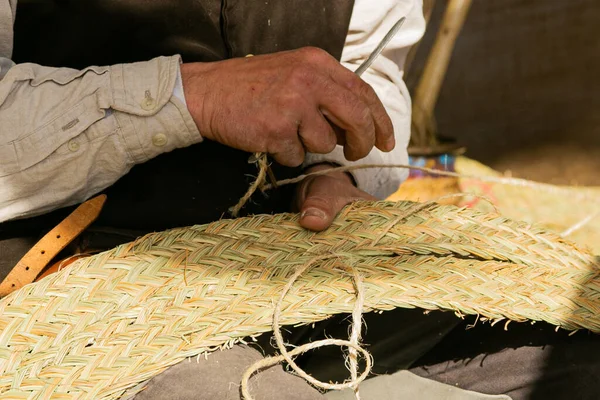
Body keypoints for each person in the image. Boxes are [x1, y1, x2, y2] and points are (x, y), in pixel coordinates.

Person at [1, 1, 599, 399]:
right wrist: (189, 97)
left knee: (582, 353)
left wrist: (336, 167)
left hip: (288, 258)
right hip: (64, 279)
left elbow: (374, 73)